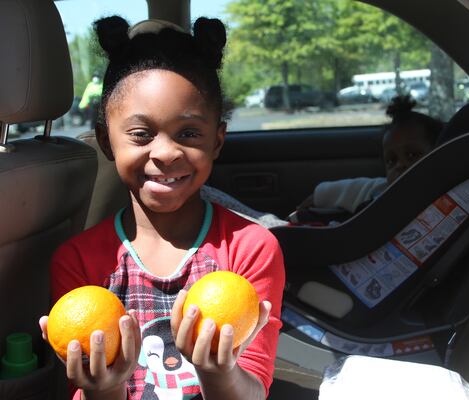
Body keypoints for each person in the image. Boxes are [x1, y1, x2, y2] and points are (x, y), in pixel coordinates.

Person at [38, 16, 284, 400]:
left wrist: (216, 373)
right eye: (141, 134)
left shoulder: (251, 247)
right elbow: (82, 387)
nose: (166, 153)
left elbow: (254, 389)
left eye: (188, 133)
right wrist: (106, 388)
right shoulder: (78, 262)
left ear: (217, 141)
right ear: (106, 142)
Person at [292, 95, 443, 222]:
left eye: (412, 155)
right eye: (391, 161)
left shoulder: (444, 199)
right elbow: (356, 188)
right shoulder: (383, 191)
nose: (401, 165)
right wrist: (320, 195)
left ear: (438, 153)